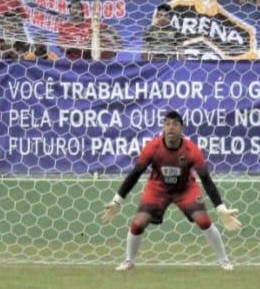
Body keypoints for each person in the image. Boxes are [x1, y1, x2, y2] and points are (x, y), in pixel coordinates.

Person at [101, 110, 240, 271]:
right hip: (157, 188)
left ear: (182, 128)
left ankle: (224, 261)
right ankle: (129, 261)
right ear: (162, 127)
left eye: (175, 124)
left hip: (185, 189)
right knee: (138, 224)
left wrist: (221, 209)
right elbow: (135, 173)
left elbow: (206, 180)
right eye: (167, 123)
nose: (171, 127)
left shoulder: (192, 150)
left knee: (204, 221)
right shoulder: (152, 147)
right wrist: (117, 201)